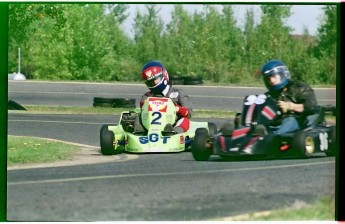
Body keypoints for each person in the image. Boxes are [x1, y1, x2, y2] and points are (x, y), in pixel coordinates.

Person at [260, 59, 318, 134]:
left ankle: (275, 137)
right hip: (276, 122)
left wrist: (290, 106)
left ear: (282, 74)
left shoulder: (299, 88)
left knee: (290, 120)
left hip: (297, 121)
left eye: (274, 76)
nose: (271, 81)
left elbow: (311, 107)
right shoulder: (269, 95)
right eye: (268, 78)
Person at [136, 60, 192, 134]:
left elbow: (188, 113)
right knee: (138, 117)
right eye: (150, 82)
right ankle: (139, 134)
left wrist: (177, 109)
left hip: (172, 124)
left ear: (164, 75)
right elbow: (143, 110)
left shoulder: (178, 93)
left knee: (185, 120)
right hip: (149, 126)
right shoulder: (147, 96)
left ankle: (174, 133)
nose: (153, 83)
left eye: (155, 80)